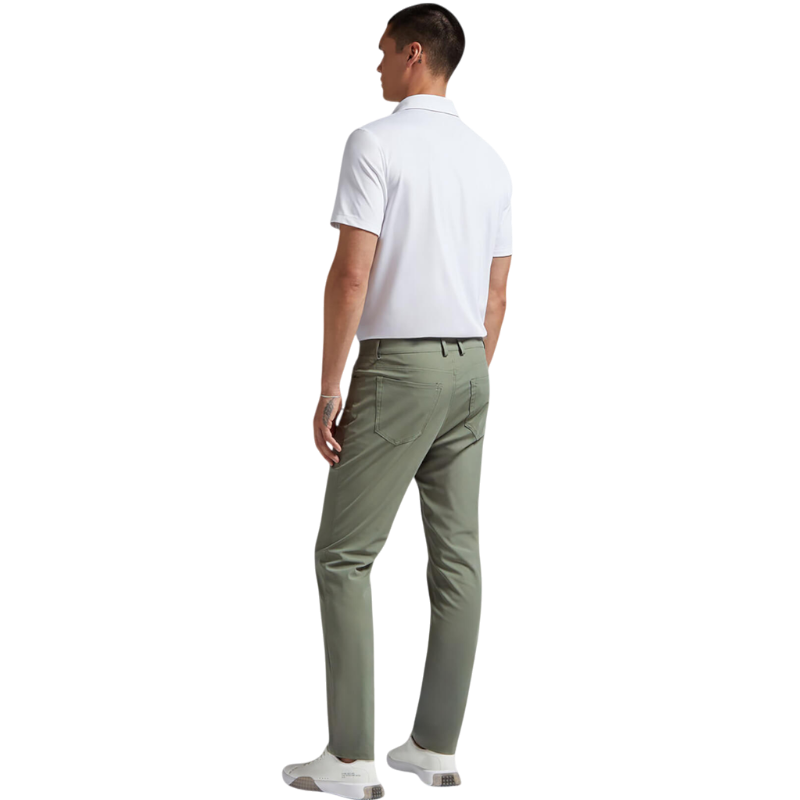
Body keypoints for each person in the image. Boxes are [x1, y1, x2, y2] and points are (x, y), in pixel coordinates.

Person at [285, 5, 512, 797]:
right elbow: (497, 291)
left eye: (383, 52)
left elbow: (351, 274)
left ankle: (350, 760)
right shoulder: (490, 160)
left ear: (415, 54)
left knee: (342, 556)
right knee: (458, 562)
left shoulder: (374, 143)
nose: (376, 65)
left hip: (397, 368)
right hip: (471, 369)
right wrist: (466, 375)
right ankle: (435, 749)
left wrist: (330, 386)